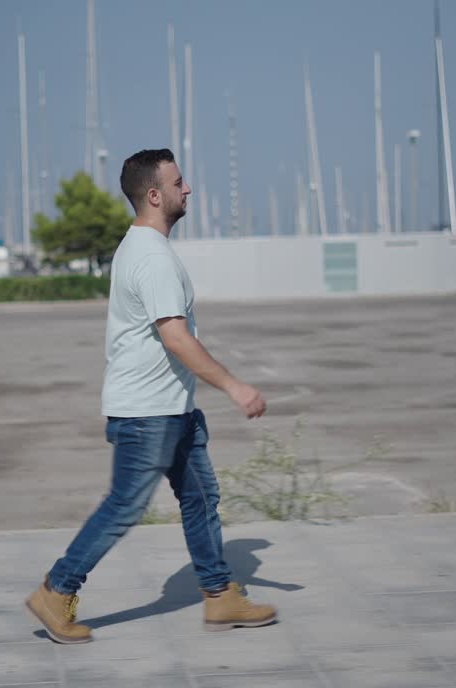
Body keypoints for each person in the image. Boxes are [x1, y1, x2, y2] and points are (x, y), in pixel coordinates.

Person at [25, 148, 277, 644]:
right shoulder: (153, 258)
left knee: (200, 497)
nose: (189, 189)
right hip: (148, 414)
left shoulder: (140, 247)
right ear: (155, 195)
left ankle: (219, 594)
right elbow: (176, 338)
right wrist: (235, 386)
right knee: (124, 506)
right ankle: (57, 590)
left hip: (171, 409)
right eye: (179, 183)